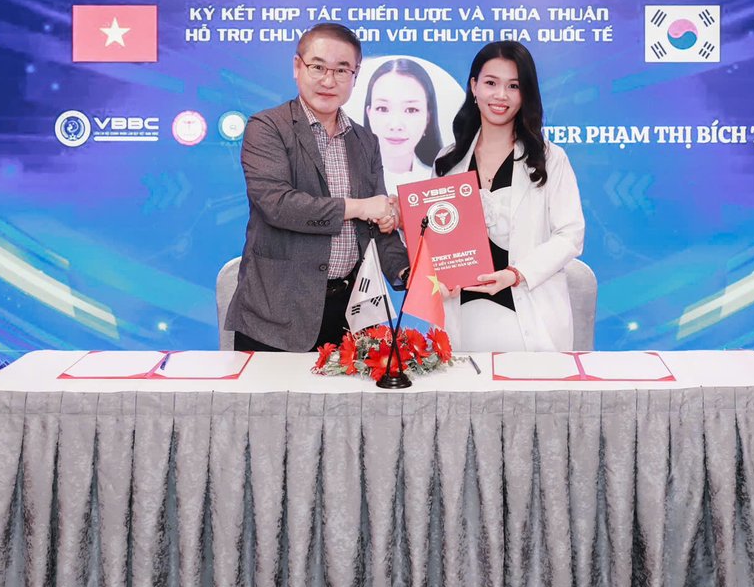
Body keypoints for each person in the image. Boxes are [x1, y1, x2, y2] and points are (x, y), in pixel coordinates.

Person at [225, 22, 411, 352]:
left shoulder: (365, 140)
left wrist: (407, 271)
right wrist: (361, 206)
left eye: (342, 70)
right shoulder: (267, 127)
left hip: (351, 315)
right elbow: (278, 205)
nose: (328, 80)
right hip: (277, 316)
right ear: (297, 67)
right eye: (318, 67)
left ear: (355, 76)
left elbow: (376, 227)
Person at [432, 41, 585, 352]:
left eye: (513, 86)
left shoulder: (550, 159)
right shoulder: (448, 160)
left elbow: (570, 235)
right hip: (462, 316)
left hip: (530, 316)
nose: (500, 95)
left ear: (525, 93)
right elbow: (434, 238)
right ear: (474, 87)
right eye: (491, 83)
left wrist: (516, 274)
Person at [362, 58, 442, 194]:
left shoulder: (443, 184)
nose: (395, 125)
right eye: (383, 108)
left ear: (428, 117)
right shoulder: (346, 179)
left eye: (411, 110)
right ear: (369, 114)